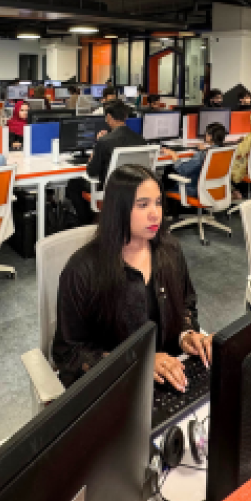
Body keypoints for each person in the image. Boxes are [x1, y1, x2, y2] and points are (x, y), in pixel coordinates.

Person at [53, 165, 208, 390]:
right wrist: (137, 362)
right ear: (119, 209)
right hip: (115, 387)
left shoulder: (170, 250)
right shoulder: (82, 270)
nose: (155, 213)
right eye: (143, 205)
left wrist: (187, 335)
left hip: (170, 377)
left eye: (158, 202)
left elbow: (186, 305)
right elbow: (69, 353)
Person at [65, 100, 146, 226]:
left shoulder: (104, 141)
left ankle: (87, 222)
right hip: (134, 189)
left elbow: (92, 172)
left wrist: (97, 146)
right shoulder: (141, 140)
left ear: (108, 117)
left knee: (73, 184)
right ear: (125, 116)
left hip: (111, 190)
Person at [160, 122, 227, 200]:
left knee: (166, 174)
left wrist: (173, 154)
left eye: (206, 134)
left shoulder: (203, 154)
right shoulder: (224, 151)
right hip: (216, 191)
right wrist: (204, 149)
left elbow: (182, 170)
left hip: (194, 190)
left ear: (210, 137)